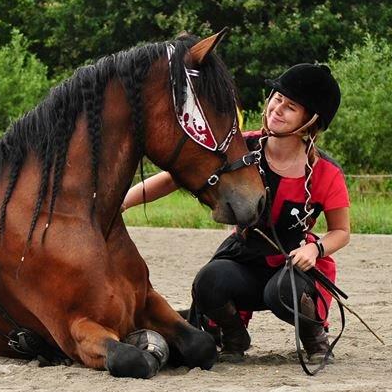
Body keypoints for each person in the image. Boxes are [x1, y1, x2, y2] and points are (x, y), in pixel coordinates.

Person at [122, 63, 350, 363]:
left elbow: (341, 232)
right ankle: (234, 337)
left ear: (310, 121)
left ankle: (315, 338)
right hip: (244, 259)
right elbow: (172, 180)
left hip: (293, 269)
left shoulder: (325, 173)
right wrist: (122, 202)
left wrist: (315, 248)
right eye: (276, 98)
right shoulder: (241, 148)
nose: (277, 109)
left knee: (280, 291)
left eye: (290, 106)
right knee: (209, 281)